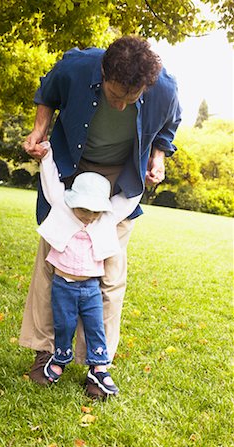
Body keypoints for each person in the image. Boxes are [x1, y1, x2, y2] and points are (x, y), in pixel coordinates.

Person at [19, 35, 181, 397]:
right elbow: (48, 92)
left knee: (109, 270)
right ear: (103, 72)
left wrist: (158, 157)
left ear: (147, 86)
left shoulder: (165, 89)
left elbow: (169, 126)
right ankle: (45, 351)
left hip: (121, 179)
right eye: (114, 96)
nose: (122, 106)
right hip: (70, 169)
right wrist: (39, 130)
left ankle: (98, 362)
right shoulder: (77, 66)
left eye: (132, 98)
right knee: (52, 261)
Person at [36, 141, 142, 394]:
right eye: (84, 209)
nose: (89, 215)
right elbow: (51, 182)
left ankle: (98, 368)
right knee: (63, 325)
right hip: (63, 286)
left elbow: (128, 201)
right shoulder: (63, 206)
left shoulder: (106, 217)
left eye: (95, 210)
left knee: (95, 326)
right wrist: (47, 154)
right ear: (74, 201)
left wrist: (144, 176)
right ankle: (60, 358)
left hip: (91, 288)